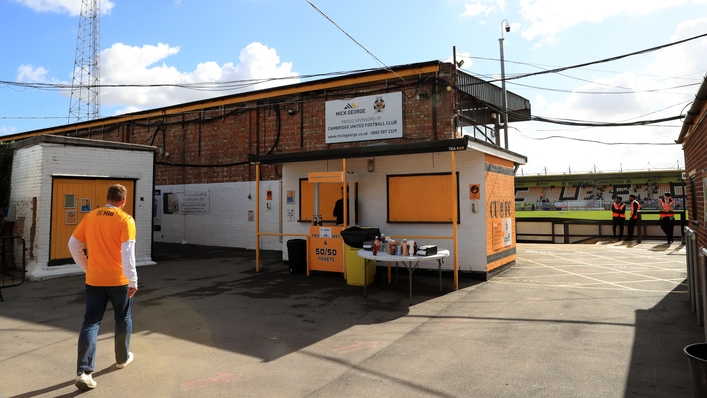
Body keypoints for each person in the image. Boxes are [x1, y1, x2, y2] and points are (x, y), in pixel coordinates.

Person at [68, 184, 138, 391]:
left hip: (94, 279)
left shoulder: (91, 216)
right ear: (123, 201)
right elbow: (128, 252)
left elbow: (73, 244)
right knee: (123, 318)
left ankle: (84, 372)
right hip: (119, 281)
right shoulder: (125, 219)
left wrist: (86, 265)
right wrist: (132, 280)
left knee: (90, 322)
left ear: (107, 198)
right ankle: (122, 359)